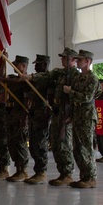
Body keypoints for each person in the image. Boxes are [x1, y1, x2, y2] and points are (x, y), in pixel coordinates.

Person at [64, 49, 98, 188]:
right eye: (77, 59)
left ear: (88, 61)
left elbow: (87, 97)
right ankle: (84, 176)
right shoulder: (78, 78)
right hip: (78, 115)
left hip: (87, 116)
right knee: (77, 148)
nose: (77, 61)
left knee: (86, 147)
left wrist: (70, 91)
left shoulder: (92, 78)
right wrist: (71, 115)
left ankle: (91, 178)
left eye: (80, 59)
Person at [48, 48, 78, 186]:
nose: (62, 59)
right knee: (55, 143)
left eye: (65, 58)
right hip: (57, 110)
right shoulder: (60, 74)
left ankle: (67, 173)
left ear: (72, 60)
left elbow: (78, 97)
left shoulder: (76, 76)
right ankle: (62, 172)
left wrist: (72, 114)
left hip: (66, 112)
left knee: (64, 142)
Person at [23, 54, 52, 184]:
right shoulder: (35, 80)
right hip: (34, 114)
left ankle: (42, 172)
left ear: (45, 64)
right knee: (33, 145)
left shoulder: (48, 78)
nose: (35, 66)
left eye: (38, 64)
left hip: (43, 115)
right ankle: (37, 171)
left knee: (40, 144)